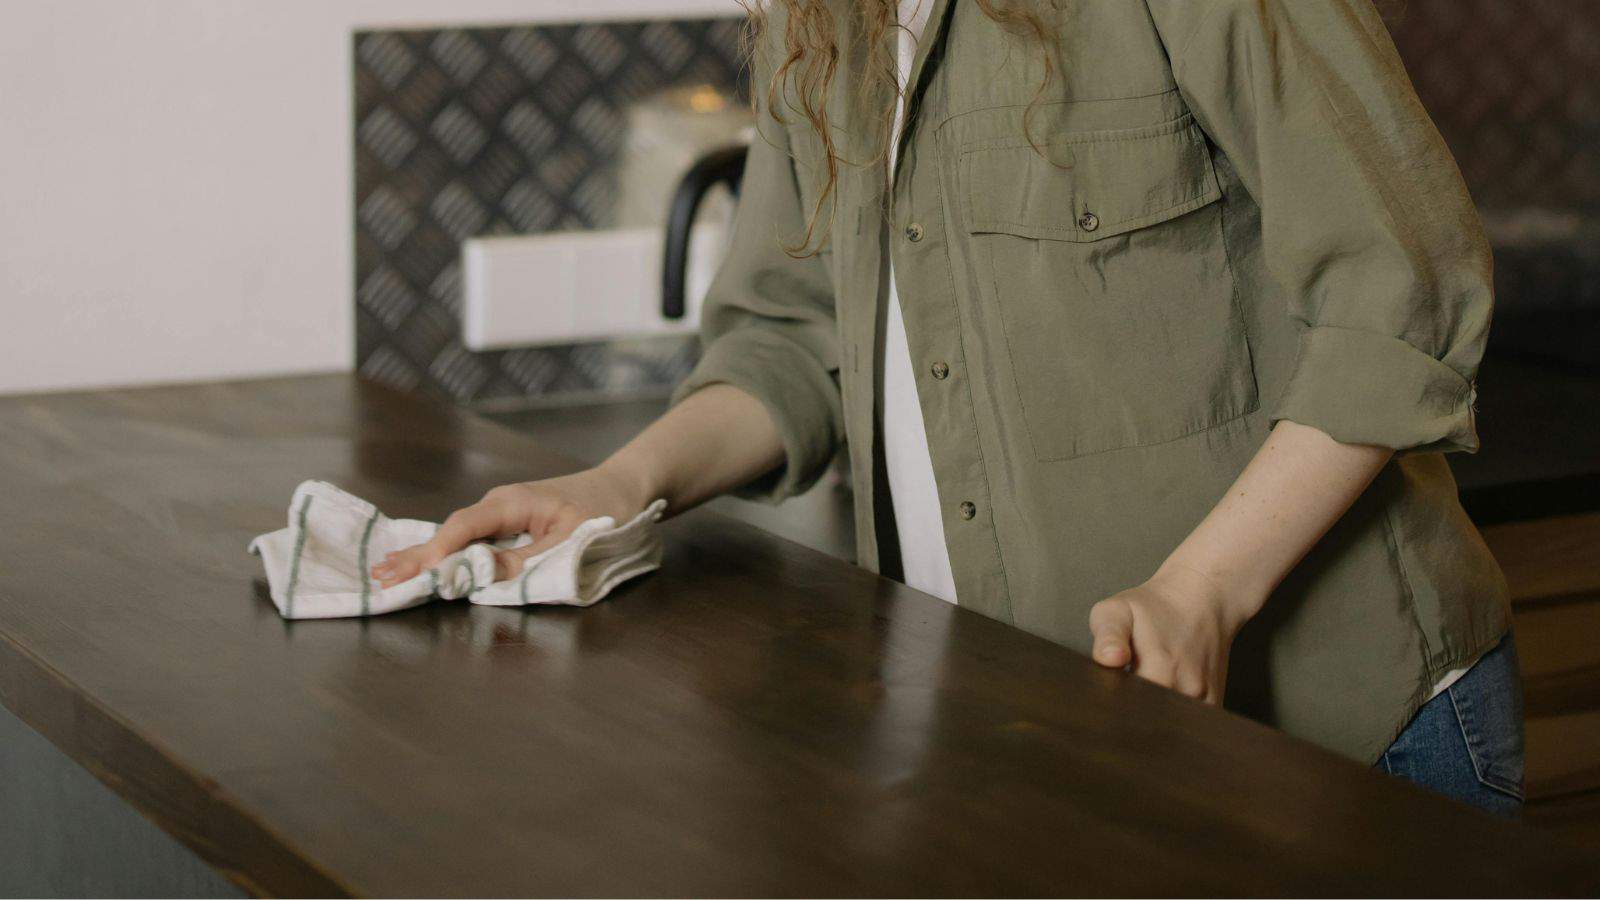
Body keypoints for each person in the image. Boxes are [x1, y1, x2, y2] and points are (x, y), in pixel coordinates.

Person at [373, 0, 1523, 816]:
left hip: (1340, 730)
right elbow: (797, 333)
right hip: (1033, 730)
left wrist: (1201, 589)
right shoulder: (820, 18)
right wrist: (614, 489)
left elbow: (1402, 291)